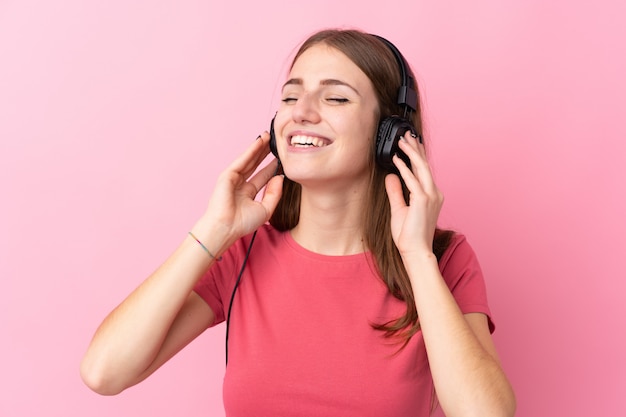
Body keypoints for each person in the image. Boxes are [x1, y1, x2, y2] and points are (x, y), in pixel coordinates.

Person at [80, 29, 516, 417]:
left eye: (335, 97)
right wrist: (214, 230)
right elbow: (104, 373)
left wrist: (417, 256)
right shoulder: (243, 252)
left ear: (390, 135)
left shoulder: (443, 259)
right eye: (290, 97)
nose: (300, 112)